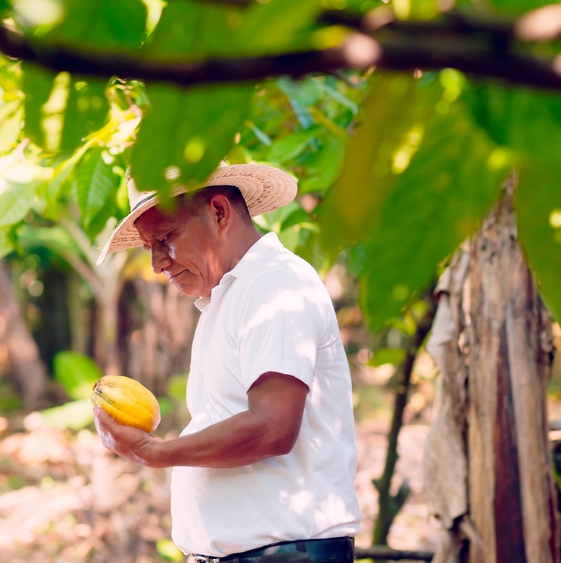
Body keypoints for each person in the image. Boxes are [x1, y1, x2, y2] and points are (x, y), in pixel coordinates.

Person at [92, 163, 362, 563]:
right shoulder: (227, 297)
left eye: (164, 238)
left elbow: (272, 427)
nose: (156, 264)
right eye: (149, 246)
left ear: (219, 213)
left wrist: (155, 453)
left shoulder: (274, 284)